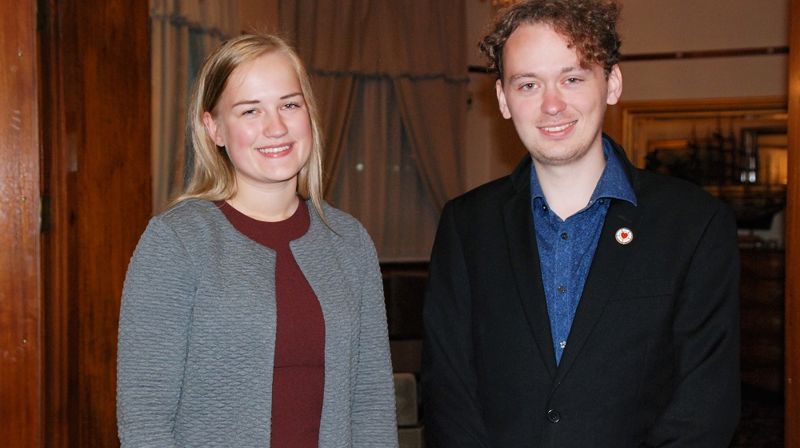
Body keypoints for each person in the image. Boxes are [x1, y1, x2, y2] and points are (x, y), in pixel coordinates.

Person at [421, 1, 740, 447]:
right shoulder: (465, 226)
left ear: (611, 84)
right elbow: (448, 393)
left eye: (572, 79)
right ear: (502, 99)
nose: (552, 104)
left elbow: (705, 406)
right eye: (528, 84)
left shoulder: (694, 224)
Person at [117, 34, 398, 448]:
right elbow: (145, 418)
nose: (277, 127)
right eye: (250, 111)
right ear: (213, 128)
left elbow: (372, 401)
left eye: (289, 104)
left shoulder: (349, 241)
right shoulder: (177, 241)